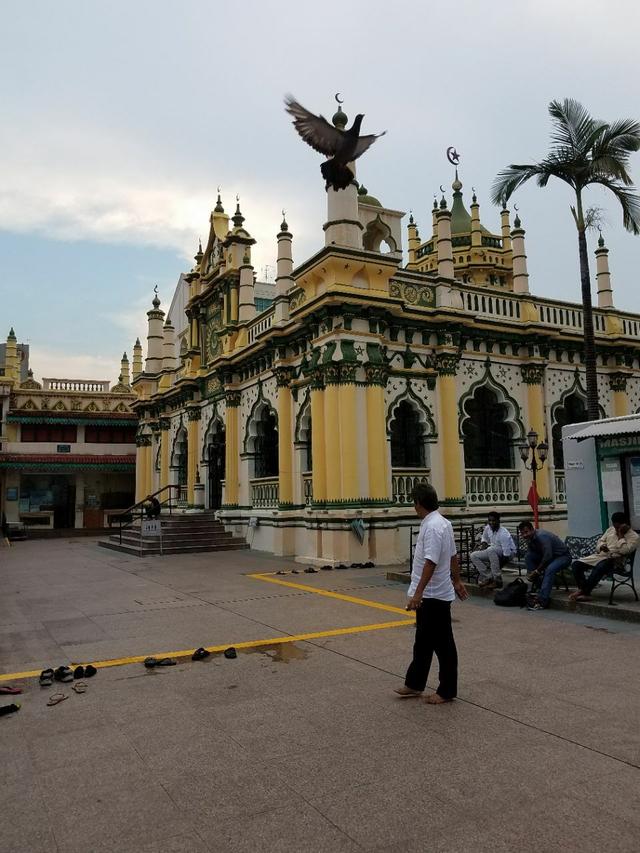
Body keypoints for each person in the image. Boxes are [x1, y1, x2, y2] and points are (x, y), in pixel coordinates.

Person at [394, 483, 468, 704]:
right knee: (423, 642)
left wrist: (418, 594)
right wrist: (457, 580)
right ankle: (414, 683)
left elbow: (431, 562)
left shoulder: (434, 527)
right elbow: (453, 556)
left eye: (414, 503)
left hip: (433, 596)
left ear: (418, 503)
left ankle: (446, 691)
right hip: (434, 593)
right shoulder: (441, 522)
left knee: (443, 645)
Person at [569, 512, 638, 602]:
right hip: (601, 556)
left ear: (625, 524)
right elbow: (600, 541)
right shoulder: (610, 530)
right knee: (576, 565)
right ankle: (584, 591)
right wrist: (601, 546)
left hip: (616, 560)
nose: (616, 529)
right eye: (615, 526)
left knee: (600, 566)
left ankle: (584, 592)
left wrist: (621, 536)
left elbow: (624, 551)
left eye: (618, 527)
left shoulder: (634, 536)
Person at [518, 520, 571, 611]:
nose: (525, 535)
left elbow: (548, 556)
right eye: (522, 533)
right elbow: (531, 553)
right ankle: (539, 587)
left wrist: (537, 571)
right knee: (528, 557)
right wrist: (530, 572)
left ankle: (542, 601)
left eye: (526, 532)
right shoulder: (529, 539)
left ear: (532, 529)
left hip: (562, 556)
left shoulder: (542, 536)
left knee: (550, 569)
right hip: (549, 557)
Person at [469, 511, 516, 589]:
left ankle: (497, 580)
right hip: (493, 551)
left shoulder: (503, 533)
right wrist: (483, 546)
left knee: (491, 550)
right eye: (489, 520)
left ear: (498, 521)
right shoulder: (488, 528)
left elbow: (506, 554)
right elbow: (484, 538)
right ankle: (488, 577)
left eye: (493, 520)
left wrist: (498, 565)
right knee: (473, 555)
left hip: (508, 553)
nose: (491, 522)